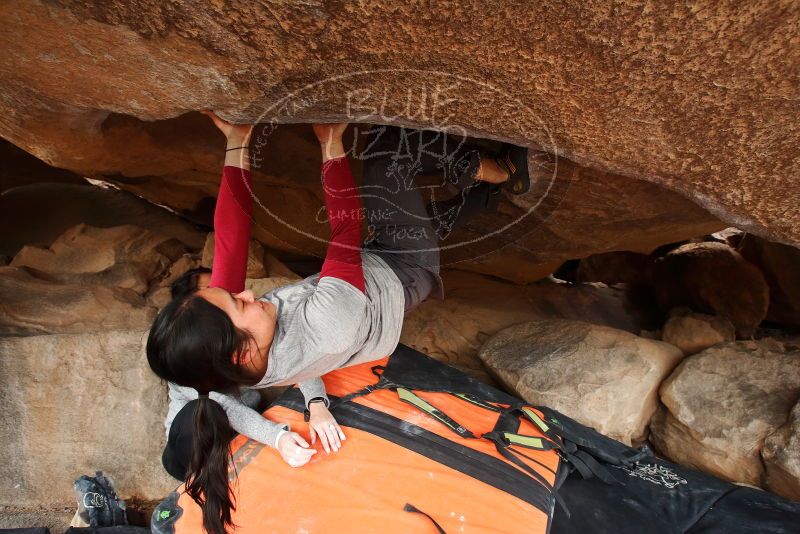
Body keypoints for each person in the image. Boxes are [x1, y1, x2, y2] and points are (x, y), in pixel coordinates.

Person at [147, 111, 528, 534]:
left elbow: (231, 240)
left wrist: (238, 141)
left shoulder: (236, 357)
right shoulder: (328, 327)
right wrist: (331, 143)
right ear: (242, 350)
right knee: (387, 157)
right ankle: (501, 170)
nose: (249, 293)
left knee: (415, 214)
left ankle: (486, 197)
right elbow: (344, 229)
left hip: (364, 274)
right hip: (402, 269)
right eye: (240, 304)